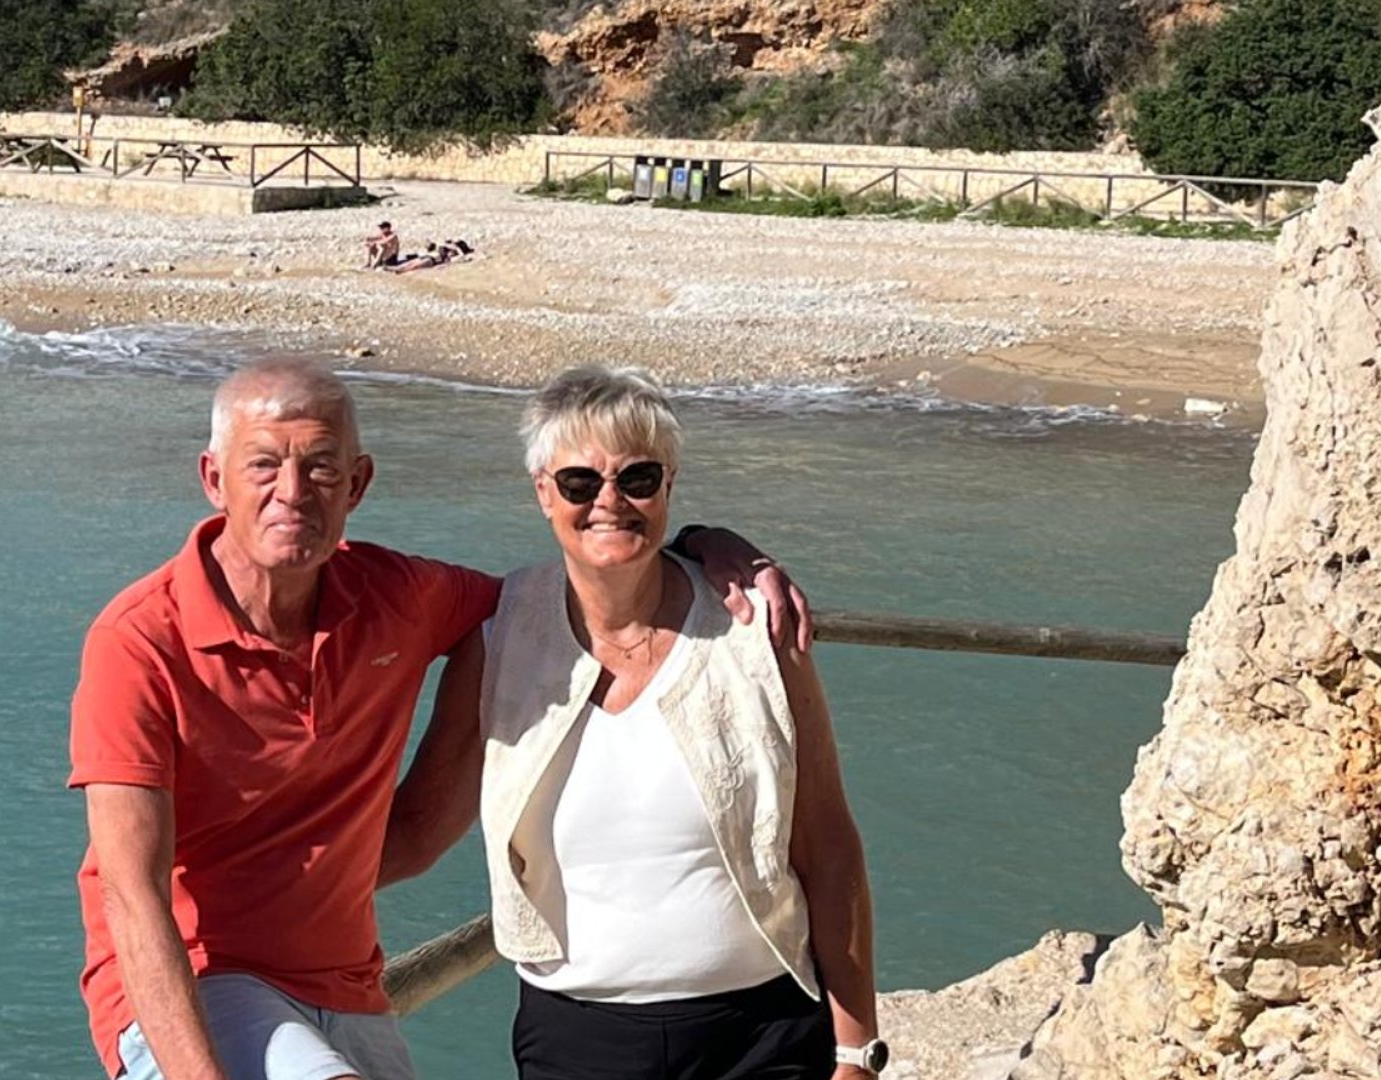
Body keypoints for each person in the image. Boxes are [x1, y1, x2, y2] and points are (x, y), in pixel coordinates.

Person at [68, 357, 814, 1080]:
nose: (292, 492)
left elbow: (574, 590)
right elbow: (131, 893)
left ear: (358, 483)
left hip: (343, 982)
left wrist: (705, 546)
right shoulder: (140, 642)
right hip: (197, 979)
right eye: (263, 464)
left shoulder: (396, 597)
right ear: (213, 480)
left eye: (321, 467)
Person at [387, 366, 883, 1080]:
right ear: (543, 492)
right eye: (579, 482)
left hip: (763, 1036)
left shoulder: (756, 632)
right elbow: (415, 833)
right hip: (576, 1042)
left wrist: (856, 1051)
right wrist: (245, 892)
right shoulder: (499, 642)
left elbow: (828, 845)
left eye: (638, 478)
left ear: (669, 484)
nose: (609, 501)